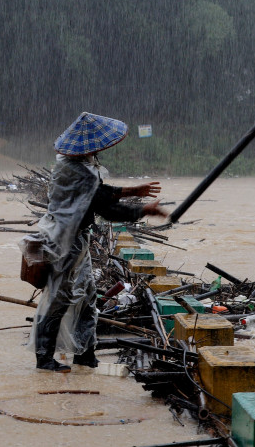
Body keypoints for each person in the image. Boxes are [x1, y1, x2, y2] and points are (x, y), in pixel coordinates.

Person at [29, 112, 167, 372]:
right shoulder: (80, 172)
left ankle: (84, 353)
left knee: (88, 294)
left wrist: (131, 192)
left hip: (73, 238)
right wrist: (143, 210)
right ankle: (44, 359)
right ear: (91, 148)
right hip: (63, 243)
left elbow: (98, 192)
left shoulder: (69, 165)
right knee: (59, 299)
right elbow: (106, 208)